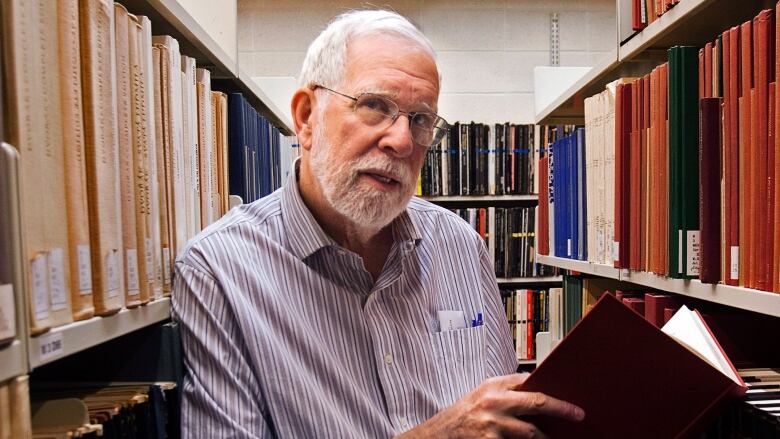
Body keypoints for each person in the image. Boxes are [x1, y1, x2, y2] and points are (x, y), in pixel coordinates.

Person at [172, 9, 584, 438]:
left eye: (421, 119)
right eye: (374, 106)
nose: (402, 140)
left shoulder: (461, 245)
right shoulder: (218, 270)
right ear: (306, 117)